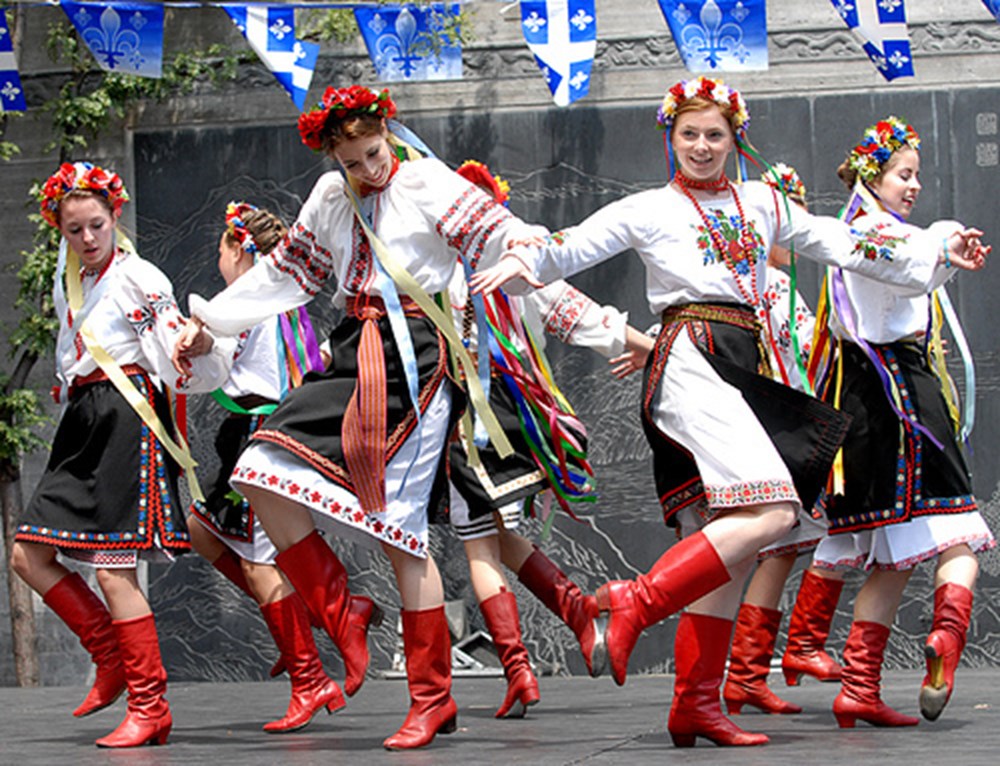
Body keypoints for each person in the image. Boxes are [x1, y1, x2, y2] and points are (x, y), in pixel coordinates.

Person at [470, 77, 987, 748]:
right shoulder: (651, 208)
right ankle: (636, 602)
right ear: (671, 138)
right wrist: (521, 259)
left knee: (740, 544)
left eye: (715, 134)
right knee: (770, 512)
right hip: (691, 356)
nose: (703, 146)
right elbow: (570, 246)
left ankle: (694, 704)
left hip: (748, 364)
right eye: (690, 134)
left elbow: (846, 243)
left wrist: (936, 253)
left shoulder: (765, 203)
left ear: (733, 138)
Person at [173, 85, 548, 750]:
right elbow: (286, 277)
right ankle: (342, 609)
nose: (368, 171)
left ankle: (431, 699)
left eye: (374, 154)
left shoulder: (429, 183)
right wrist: (210, 323)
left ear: (388, 135)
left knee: (401, 532)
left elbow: (497, 230)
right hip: (353, 347)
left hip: (420, 353)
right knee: (258, 466)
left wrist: (519, 253)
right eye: (352, 162)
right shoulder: (328, 197)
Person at [10, 162, 230, 748]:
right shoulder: (70, 277)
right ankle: (110, 656)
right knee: (28, 556)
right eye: (75, 229)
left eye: (97, 226)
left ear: (116, 219)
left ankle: (149, 704)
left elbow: (173, 346)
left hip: (125, 414)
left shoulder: (140, 278)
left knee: (113, 569)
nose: (87, 239)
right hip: (83, 418)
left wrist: (198, 343)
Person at [446, 160, 654, 718]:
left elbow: (579, 314)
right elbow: (582, 316)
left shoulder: (456, 271)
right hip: (506, 421)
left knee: (478, 545)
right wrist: (649, 348)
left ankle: (518, 668)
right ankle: (579, 614)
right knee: (495, 535)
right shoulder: (509, 268)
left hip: (470, 421)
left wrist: (654, 349)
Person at [808, 116, 994, 728]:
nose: (913, 185)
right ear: (873, 175)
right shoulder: (869, 235)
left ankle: (858, 686)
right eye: (903, 174)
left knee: (891, 556)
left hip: (864, 400)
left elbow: (921, 257)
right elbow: (910, 263)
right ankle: (946, 636)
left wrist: (945, 249)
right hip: (901, 393)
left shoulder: (860, 233)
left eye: (916, 174)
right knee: (960, 536)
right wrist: (947, 249)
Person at [186, 201, 344, 733]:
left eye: (222, 249)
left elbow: (219, 351)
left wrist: (197, 341)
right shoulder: (271, 302)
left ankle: (309, 675)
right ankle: (297, 621)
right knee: (202, 531)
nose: (218, 259)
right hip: (249, 434)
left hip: (262, 433)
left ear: (238, 251)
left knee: (260, 563)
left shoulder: (246, 304)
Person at [722, 163, 847, 717]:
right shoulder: (760, 285)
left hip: (787, 423)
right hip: (772, 426)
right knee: (788, 543)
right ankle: (772, 659)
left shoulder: (780, 285)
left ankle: (754, 668)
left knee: (791, 543)